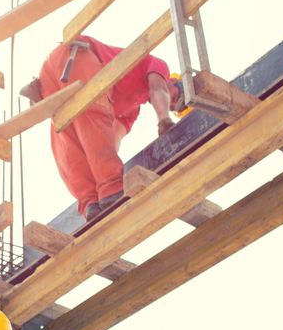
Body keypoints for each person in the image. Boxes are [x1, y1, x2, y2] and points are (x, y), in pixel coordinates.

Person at [21, 36, 182, 221]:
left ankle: (89, 201)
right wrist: (163, 119)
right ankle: (111, 188)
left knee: (69, 140)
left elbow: (111, 139)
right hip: (76, 57)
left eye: (172, 106)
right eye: (175, 97)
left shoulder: (131, 111)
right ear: (173, 81)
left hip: (50, 79)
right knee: (95, 116)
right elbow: (158, 88)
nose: (170, 103)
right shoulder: (156, 64)